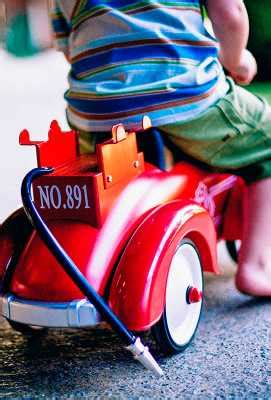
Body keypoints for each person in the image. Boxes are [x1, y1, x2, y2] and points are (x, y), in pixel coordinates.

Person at [49, 0, 271, 297]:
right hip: (183, 95)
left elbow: (67, 44)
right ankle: (256, 265)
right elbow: (230, 13)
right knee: (265, 141)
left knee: (104, 180)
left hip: (96, 112)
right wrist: (237, 59)